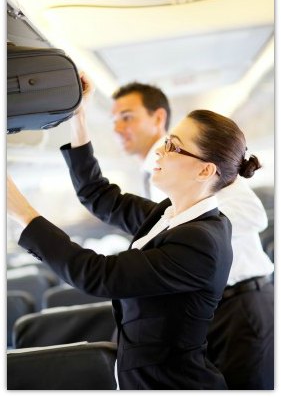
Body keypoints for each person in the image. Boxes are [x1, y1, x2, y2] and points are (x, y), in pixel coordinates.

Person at [7, 75, 261, 390]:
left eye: (173, 146)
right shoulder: (169, 214)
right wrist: (78, 117)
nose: (160, 151)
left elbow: (99, 275)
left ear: (205, 170)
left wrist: (21, 211)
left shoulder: (201, 240)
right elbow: (99, 195)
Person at [112, 82, 274, 390]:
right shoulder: (159, 174)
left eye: (127, 117)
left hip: (242, 304)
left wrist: (184, 239)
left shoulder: (198, 156)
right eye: (114, 119)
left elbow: (254, 214)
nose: (119, 127)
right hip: (208, 310)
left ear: (158, 120)